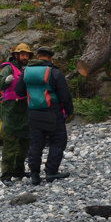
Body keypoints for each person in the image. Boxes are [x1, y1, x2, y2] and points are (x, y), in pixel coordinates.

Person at [16, 47, 74, 185]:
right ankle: (51, 171)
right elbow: (64, 96)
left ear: (37, 56)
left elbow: (19, 91)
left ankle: (35, 174)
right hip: (52, 112)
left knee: (36, 143)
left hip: (33, 112)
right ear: (50, 58)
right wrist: (69, 111)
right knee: (58, 140)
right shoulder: (54, 73)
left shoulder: (26, 72)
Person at [0, 42, 33, 183]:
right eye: (22, 54)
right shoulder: (9, 68)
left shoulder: (29, 69)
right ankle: (6, 176)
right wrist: (6, 80)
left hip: (25, 110)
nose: (25, 57)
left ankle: (19, 171)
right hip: (11, 110)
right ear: (16, 55)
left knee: (24, 143)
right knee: (10, 145)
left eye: (27, 55)